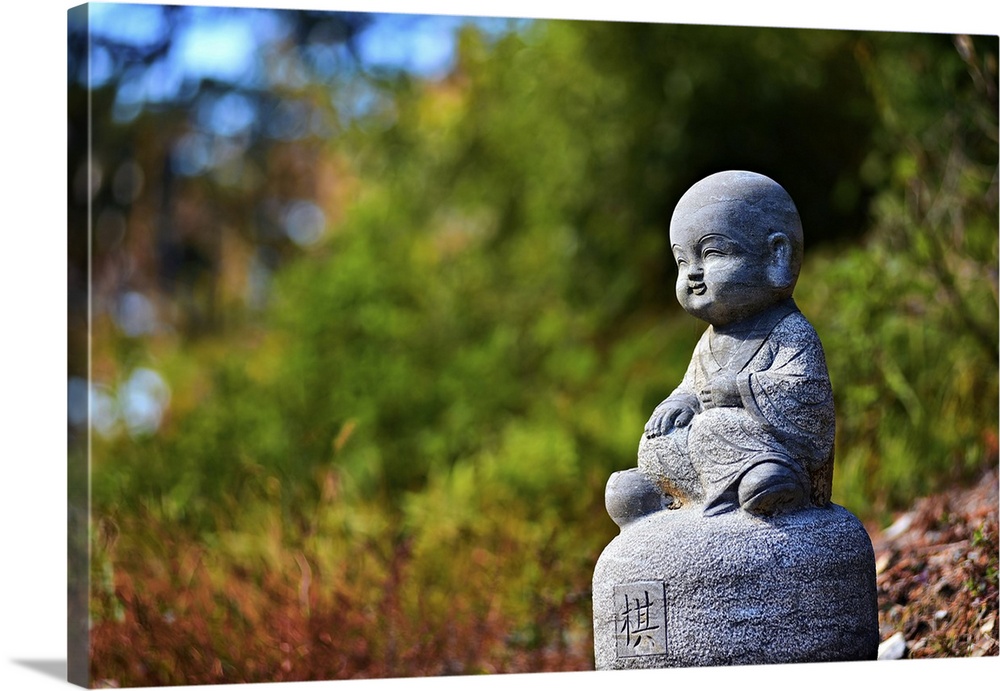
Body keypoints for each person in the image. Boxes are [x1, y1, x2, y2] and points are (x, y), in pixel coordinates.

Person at [606, 171, 835, 526]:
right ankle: (665, 490)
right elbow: (691, 387)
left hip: (756, 442)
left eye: (711, 253)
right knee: (661, 441)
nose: (693, 274)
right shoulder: (708, 341)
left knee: (713, 428)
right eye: (683, 262)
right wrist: (679, 402)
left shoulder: (791, 332)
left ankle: (771, 480)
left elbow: (807, 398)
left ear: (778, 257)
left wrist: (741, 390)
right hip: (708, 444)